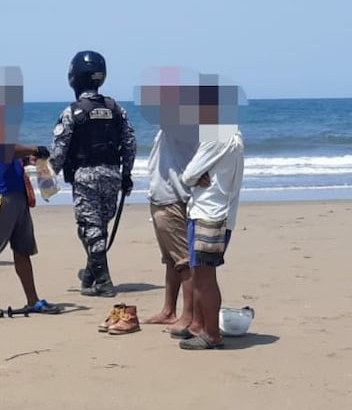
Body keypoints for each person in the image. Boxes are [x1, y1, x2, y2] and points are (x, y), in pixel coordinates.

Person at [48, 51, 137, 298]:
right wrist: (126, 175)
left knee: (90, 228)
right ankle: (89, 277)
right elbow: (130, 142)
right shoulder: (116, 108)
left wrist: (47, 173)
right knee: (98, 228)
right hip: (112, 175)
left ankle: (104, 283)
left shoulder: (72, 112)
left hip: (85, 177)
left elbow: (59, 151)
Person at [179, 98, 245, 350]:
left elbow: (188, 175)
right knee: (199, 274)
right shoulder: (233, 133)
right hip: (220, 213)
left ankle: (212, 334)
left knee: (205, 276)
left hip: (210, 214)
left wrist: (195, 177)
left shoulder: (217, 134)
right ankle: (199, 325)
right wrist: (197, 176)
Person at [0, 144, 58, 318]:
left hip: (18, 196)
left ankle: (32, 299)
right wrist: (33, 149)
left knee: (22, 250)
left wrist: (28, 160)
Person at [142, 122, 199, 332]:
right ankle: (169, 311)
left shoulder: (181, 124)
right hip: (168, 196)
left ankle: (188, 316)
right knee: (172, 260)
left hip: (172, 197)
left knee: (183, 261)